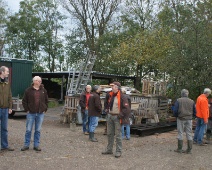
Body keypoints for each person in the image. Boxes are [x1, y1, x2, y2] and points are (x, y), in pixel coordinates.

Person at [102, 82, 131, 158]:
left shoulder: (122, 97)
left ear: (117, 87)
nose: (112, 87)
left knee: (118, 135)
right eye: (112, 86)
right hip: (110, 116)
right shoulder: (110, 95)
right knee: (109, 134)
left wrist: (120, 116)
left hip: (117, 117)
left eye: (113, 86)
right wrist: (106, 110)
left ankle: (118, 151)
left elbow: (126, 109)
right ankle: (109, 149)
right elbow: (106, 104)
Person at [21, 76, 48, 151]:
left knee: (38, 130)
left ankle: (36, 145)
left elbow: (46, 100)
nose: (40, 82)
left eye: (40, 81)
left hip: (40, 113)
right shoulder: (28, 91)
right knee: (28, 130)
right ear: (34, 81)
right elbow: (24, 101)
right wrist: (27, 109)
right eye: (39, 81)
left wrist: (45, 108)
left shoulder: (43, 90)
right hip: (31, 113)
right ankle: (26, 145)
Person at [173, 89, 196, 154]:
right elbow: (194, 111)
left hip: (181, 118)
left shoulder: (178, 100)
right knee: (189, 133)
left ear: (181, 94)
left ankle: (179, 149)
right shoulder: (192, 101)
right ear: (187, 94)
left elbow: (175, 110)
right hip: (189, 119)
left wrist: (176, 116)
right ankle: (189, 150)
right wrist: (193, 117)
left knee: (180, 133)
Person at [0, 66, 14, 151]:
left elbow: (9, 95)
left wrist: (10, 107)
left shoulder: (7, 83)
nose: (8, 73)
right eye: (7, 71)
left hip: (5, 109)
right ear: (2, 72)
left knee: (4, 128)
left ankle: (4, 145)